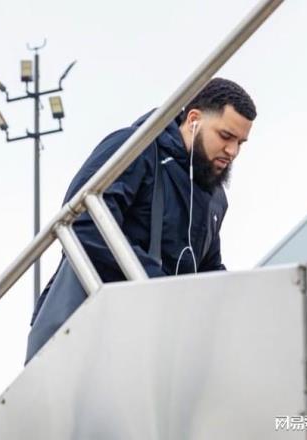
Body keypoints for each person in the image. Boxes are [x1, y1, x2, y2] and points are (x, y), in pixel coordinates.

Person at [25, 78, 256, 362]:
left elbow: (207, 268)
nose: (232, 151)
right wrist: (156, 285)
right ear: (194, 119)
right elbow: (81, 224)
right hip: (89, 333)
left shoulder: (214, 198)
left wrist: (239, 302)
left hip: (153, 344)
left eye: (240, 142)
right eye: (225, 136)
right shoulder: (134, 148)